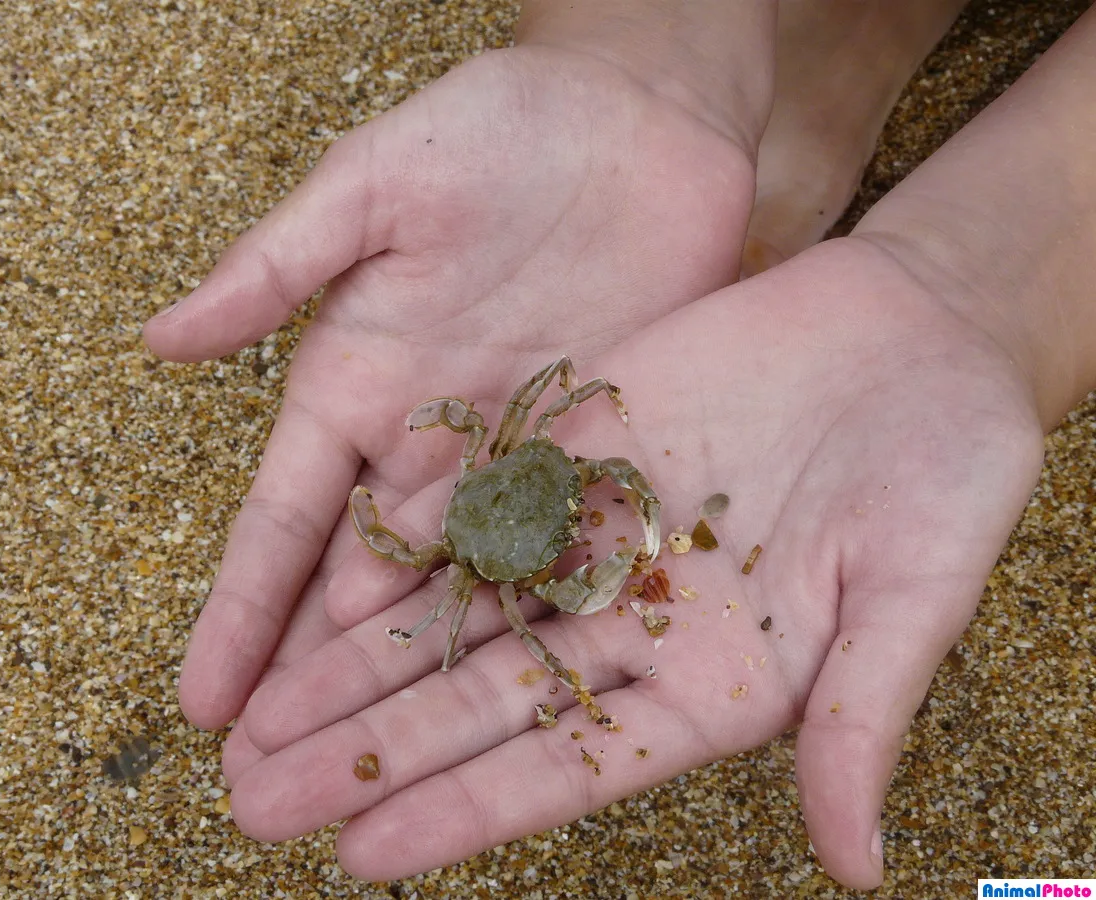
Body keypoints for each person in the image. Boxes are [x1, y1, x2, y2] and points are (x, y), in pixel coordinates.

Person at [142, 2, 1096, 890]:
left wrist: (998, 277)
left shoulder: (525, 441)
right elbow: (474, 586)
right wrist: (642, 55)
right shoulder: (487, 563)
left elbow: (566, 400)